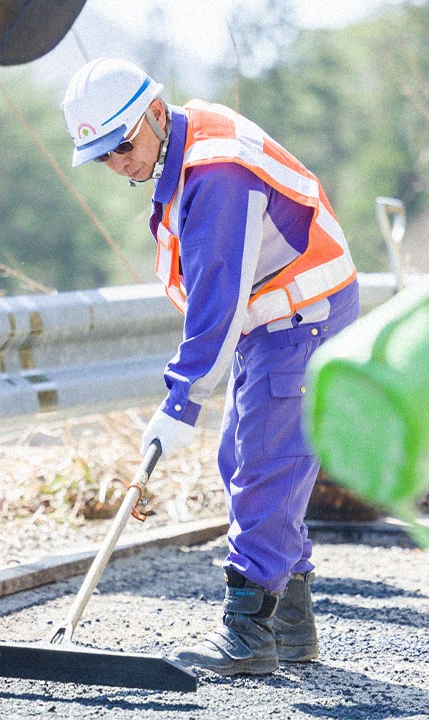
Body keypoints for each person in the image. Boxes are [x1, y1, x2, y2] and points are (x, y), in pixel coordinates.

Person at [62, 57, 360, 676]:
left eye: (121, 145)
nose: (118, 164)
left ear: (151, 114)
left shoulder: (217, 172)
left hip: (302, 316)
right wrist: (188, 397)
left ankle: (249, 634)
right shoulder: (184, 144)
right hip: (278, 317)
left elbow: (217, 299)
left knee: (265, 465)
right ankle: (291, 625)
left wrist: (181, 399)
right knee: (244, 457)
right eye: (102, 157)